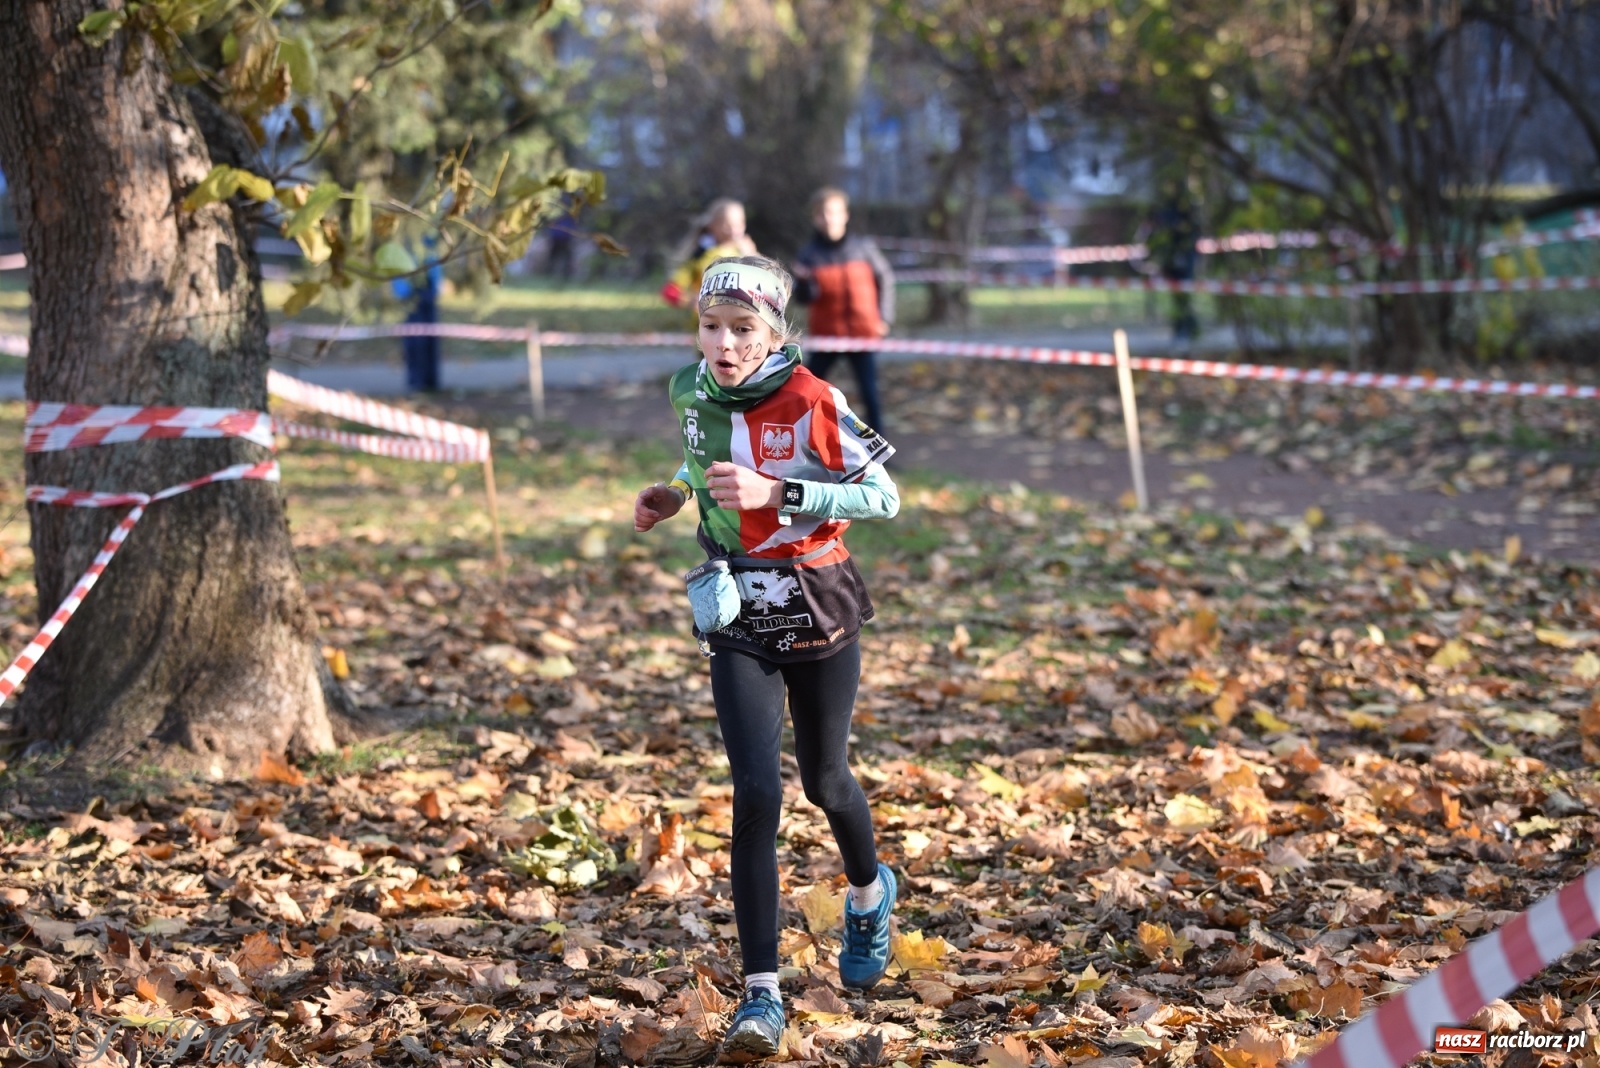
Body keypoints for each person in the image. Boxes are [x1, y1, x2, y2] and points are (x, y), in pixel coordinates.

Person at [633, 256, 900, 1057]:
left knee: (825, 781)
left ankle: (867, 892)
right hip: (738, 608)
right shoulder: (690, 391)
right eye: (711, 327)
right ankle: (761, 997)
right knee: (755, 795)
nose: (723, 343)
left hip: (816, 602)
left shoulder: (814, 399)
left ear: (775, 333)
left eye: (742, 329)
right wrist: (677, 494)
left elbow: (883, 496)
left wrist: (779, 494)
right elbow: (699, 455)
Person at [791, 187, 894, 433]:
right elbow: (804, 299)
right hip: (828, 335)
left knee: (869, 392)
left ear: (845, 215)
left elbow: (886, 279)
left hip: (862, 333)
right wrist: (804, 282)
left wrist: (885, 318)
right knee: (807, 388)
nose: (830, 218)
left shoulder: (864, 248)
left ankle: (878, 453)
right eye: (824, 213)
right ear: (816, 218)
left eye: (835, 212)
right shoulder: (809, 255)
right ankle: (797, 440)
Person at [661, 198, 759, 315]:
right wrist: (690, 301)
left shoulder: (747, 252)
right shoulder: (701, 255)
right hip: (708, 325)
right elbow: (670, 291)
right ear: (712, 226)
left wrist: (753, 256)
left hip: (740, 322)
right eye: (727, 225)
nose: (734, 231)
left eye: (739, 224)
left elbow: (766, 290)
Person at [392, 245, 444, 392]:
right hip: (410, 296)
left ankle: (431, 381)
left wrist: (435, 285)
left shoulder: (427, 239)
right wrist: (402, 290)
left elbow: (434, 258)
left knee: (430, 341)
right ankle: (416, 381)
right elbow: (397, 268)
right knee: (414, 343)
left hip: (428, 293)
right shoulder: (403, 238)